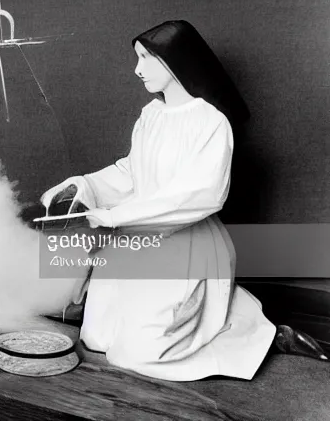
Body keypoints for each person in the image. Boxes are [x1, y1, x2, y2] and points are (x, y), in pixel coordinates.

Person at [40, 20, 327, 381]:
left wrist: (115, 217)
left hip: (184, 244)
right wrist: (83, 186)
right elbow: (132, 172)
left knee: (137, 353)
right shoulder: (151, 115)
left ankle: (263, 335)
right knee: (98, 339)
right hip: (136, 241)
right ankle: (231, 318)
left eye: (146, 58)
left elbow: (201, 194)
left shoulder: (210, 122)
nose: (137, 69)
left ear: (174, 61)